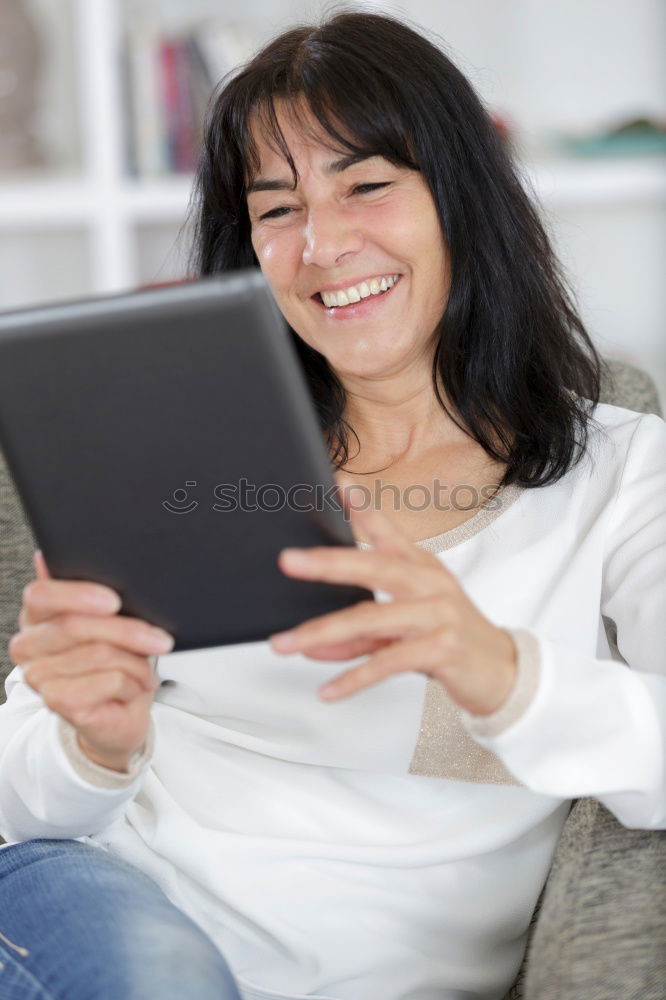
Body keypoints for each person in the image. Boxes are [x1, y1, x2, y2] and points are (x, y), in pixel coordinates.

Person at [0, 11, 664, 1000]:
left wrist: (500, 671)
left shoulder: (623, 470)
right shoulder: (179, 443)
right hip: (108, 910)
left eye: (367, 186)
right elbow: (23, 799)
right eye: (276, 209)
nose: (321, 244)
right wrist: (90, 741)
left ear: (462, 201)